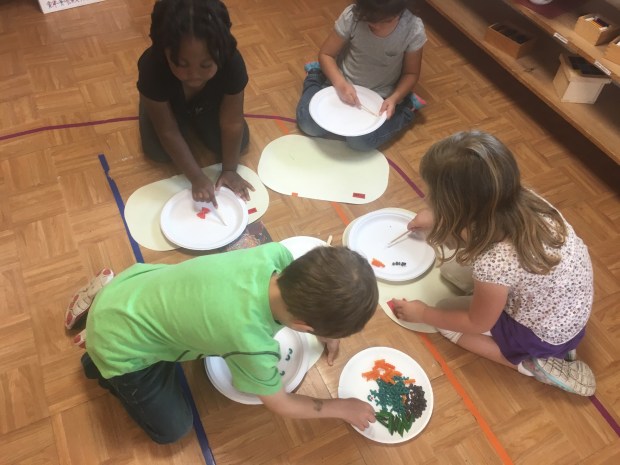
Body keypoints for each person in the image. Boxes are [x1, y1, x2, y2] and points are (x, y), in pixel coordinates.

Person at [66, 244, 379, 444]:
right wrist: (341, 407)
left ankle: (98, 345)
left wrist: (324, 329)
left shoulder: (274, 255)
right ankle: (102, 364)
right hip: (120, 345)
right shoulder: (250, 342)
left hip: (130, 289)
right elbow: (280, 403)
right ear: (303, 326)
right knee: (173, 430)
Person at [391, 130, 596, 396]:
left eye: (434, 198)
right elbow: (476, 224)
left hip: (540, 336)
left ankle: (530, 365)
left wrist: (423, 314)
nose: (427, 198)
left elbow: (475, 322)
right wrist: (436, 218)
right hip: (568, 312)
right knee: (455, 271)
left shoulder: (494, 263)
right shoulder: (524, 199)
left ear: (457, 209)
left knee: (445, 316)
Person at [137, 0, 254, 206]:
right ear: (164, 51)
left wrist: (229, 170)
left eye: (206, 65)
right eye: (181, 64)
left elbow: (232, 122)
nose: (193, 75)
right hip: (168, 106)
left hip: (208, 104)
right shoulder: (152, 66)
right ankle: (149, 106)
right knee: (157, 151)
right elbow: (167, 130)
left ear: (220, 52)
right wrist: (197, 177)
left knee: (239, 142)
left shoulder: (231, 61)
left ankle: (197, 116)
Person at [296, 0, 427, 151]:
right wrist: (340, 83)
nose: (377, 26)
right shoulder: (353, 16)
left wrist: (395, 98)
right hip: (341, 84)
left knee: (361, 142)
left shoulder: (412, 29)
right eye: (370, 19)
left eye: (386, 21)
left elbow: (411, 73)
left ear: (401, 11)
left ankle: (407, 108)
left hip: (380, 96)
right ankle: (315, 74)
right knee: (308, 124)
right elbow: (326, 54)